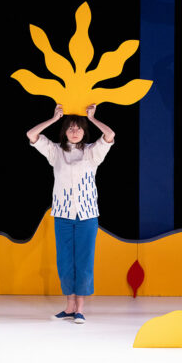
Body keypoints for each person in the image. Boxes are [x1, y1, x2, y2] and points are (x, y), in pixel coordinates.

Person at [27, 103, 115, 324]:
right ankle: (69, 307)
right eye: (70, 128)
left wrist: (92, 118)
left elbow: (110, 135)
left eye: (79, 128)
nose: (75, 131)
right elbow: (31, 135)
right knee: (65, 262)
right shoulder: (56, 152)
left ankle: (80, 309)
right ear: (64, 131)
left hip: (87, 215)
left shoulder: (92, 153)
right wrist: (54, 119)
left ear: (84, 132)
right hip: (63, 215)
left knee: (84, 261)